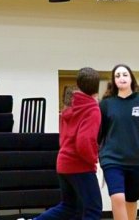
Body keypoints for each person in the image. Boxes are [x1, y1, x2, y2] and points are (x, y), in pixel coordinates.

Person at [33, 67, 103, 220]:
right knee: (93, 209)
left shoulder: (69, 105)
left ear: (78, 84)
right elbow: (84, 142)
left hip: (63, 163)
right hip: (80, 165)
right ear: (96, 87)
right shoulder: (92, 109)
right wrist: (94, 159)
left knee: (70, 207)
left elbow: (63, 138)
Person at [98, 64, 139, 220]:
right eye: (117, 75)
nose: (121, 78)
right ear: (113, 81)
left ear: (131, 78)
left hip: (134, 161)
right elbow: (98, 133)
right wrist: (95, 155)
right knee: (117, 197)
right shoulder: (106, 104)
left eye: (125, 74)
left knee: (131, 201)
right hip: (111, 159)